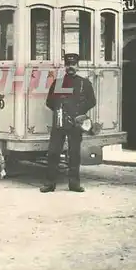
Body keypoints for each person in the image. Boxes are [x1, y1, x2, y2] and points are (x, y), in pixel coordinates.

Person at [40, 53, 96, 193]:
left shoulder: (84, 83)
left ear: (78, 66)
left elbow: (92, 101)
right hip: (59, 123)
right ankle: (50, 183)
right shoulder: (57, 83)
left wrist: (78, 113)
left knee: (74, 153)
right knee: (53, 153)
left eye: (73, 64)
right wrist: (61, 112)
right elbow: (50, 102)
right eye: (68, 64)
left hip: (76, 124)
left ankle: (74, 184)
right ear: (65, 66)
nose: (71, 67)